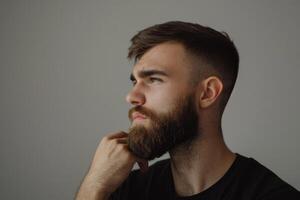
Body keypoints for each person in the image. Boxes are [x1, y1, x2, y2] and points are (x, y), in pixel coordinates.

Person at [75, 21, 299, 200]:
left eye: (153, 79)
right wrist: (94, 186)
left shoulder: (272, 195)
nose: (131, 96)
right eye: (135, 82)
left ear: (207, 93)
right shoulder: (126, 190)